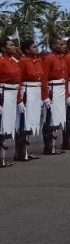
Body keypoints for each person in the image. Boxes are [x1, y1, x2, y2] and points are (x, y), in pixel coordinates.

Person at [16, 39, 43, 161]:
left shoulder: (37, 61)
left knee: (32, 120)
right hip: (27, 91)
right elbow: (19, 80)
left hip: (36, 91)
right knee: (24, 121)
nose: (36, 48)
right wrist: (19, 99)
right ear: (27, 50)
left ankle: (26, 150)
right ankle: (21, 151)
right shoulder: (23, 61)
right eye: (33, 47)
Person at [41, 38, 67, 155]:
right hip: (52, 89)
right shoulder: (49, 58)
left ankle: (53, 145)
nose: (63, 46)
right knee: (50, 118)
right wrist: (45, 96)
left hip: (60, 89)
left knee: (57, 116)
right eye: (60, 44)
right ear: (53, 46)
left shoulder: (61, 58)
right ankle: (48, 146)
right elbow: (44, 78)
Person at [0, 36, 21, 167]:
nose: (14, 47)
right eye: (11, 45)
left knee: (6, 124)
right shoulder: (1, 61)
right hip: (3, 94)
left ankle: (2, 158)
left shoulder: (13, 61)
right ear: (3, 48)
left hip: (12, 94)